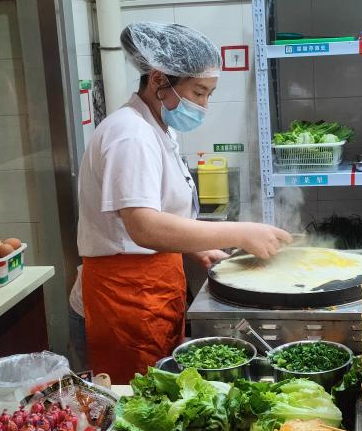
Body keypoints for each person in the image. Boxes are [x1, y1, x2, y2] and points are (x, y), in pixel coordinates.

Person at [69, 22, 292, 382]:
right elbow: (144, 226)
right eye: (198, 92)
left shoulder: (157, 127)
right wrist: (242, 232)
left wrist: (197, 248)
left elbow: (160, 211)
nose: (203, 105)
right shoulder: (130, 135)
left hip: (151, 291)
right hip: (123, 301)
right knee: (134, 402)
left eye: (209, 94)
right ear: (159, 80)